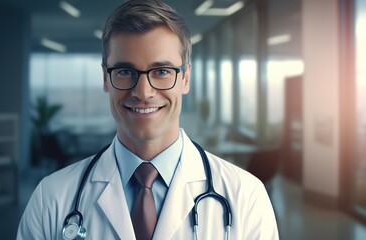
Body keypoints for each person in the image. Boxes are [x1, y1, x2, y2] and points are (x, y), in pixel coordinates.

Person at [17, 0, 279, 239]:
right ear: (106, 78)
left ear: (185, 78)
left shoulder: (246, 197)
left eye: (162, 71)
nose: (143, 92)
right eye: (125, 71)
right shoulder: (51, 199)